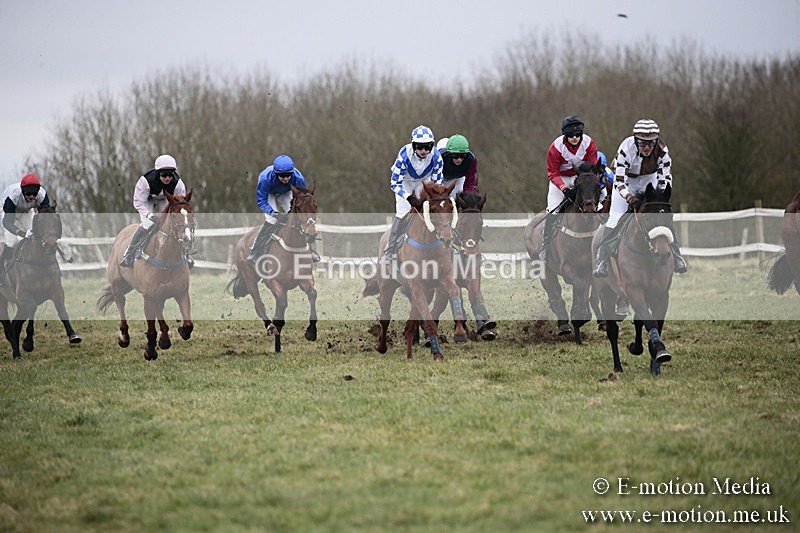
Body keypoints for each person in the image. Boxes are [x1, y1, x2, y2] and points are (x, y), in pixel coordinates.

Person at [592, 119, 688, 278]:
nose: (647, 148)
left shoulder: (663, 151)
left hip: (649, 180)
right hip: (626, 181)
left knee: (662, 216)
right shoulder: (625, 148)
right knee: (615, 217)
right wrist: (629, 197)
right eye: (643, 143)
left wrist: (660, 196)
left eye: (651, 143)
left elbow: (665, 177)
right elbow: (619, 181)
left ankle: (677, 256)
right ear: (636, 141)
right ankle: (601, 259)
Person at [539, 115, 599, 262]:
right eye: (570, 135)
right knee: (553, 210)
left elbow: (592, 167)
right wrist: (564, 188)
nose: (574, 138)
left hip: (583, 178)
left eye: (577, 134)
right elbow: (552, 172)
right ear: (565, 135)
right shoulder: (556, 147)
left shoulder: (589, 143)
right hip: (561, 178)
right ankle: (545, 246)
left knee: (603, 202)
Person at [383, 125, 444, 261]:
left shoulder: (436, 157)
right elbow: (394, 183)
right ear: (414, 145)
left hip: (423, 181)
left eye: (427, 147)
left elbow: (438, 182)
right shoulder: (404, 155)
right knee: (403, 212)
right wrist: (408, 197)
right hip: (404, 182)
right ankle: (391, 248)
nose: (424, 151)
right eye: (420, 147)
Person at [120, 154, 189, 268]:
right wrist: (150, 215)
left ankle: (186, 254)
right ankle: (129, 253)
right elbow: (138, 202)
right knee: (148, 225)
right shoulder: (145, 181)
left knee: (175, 225)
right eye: (164, 175)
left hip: (166, 201)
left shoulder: (178, 183)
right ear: (157, 173)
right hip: (148, 201)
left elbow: (180, 204)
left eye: (170, 175)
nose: (167, 178)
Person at [248, 154, 319, 263]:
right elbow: (261, 201)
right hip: (269, 194)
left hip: (285, 193)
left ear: (292, 173)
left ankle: (309, 250)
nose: (286, 178)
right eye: (282, 176)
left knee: (296, 219)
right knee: (272, 220)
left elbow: (303, 197)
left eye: (288, 175)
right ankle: (255, 250)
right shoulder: (265, 179)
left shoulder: (298, 177)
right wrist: (274, 213)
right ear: (276, 174)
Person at [1, 173, 51, 276]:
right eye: (28, 194)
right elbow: (7, 222)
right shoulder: (13, 196)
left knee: (34, 239)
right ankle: (1, 269)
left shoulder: (42, 195)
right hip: (10, 212)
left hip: (27, 211)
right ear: (23, 191)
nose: (32, 197)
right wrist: (22, 233)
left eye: (34, 194)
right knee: (12, 242)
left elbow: (45, 216)